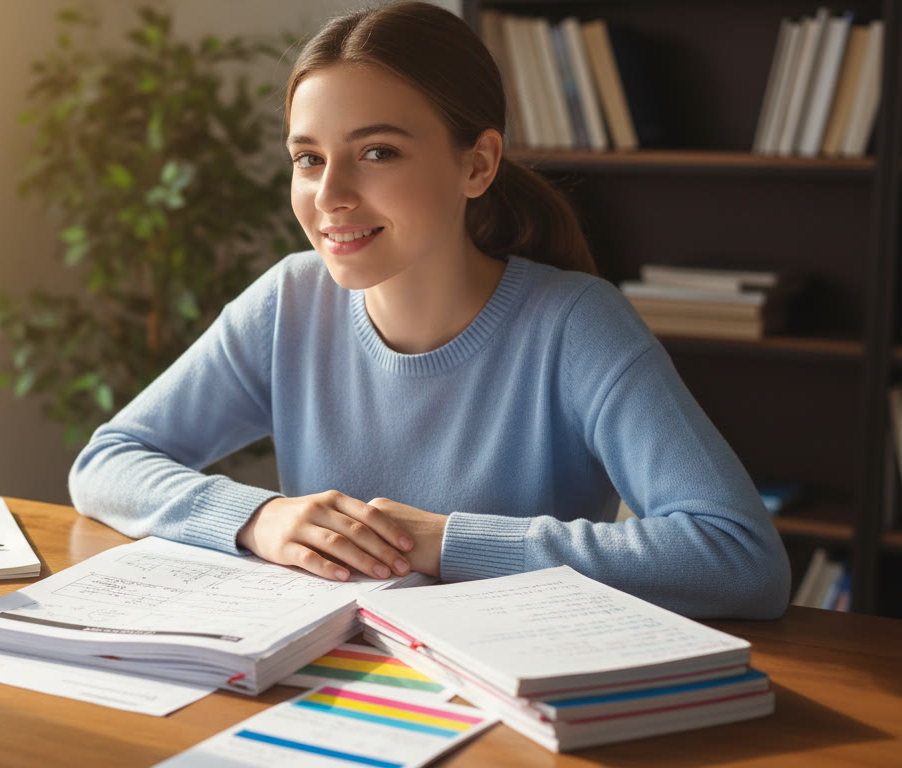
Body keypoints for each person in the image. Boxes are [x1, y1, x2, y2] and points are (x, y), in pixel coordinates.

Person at [68, 2, 790, 619]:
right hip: (327, 683)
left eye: (377, 153)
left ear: (477, 164)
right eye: (309, 158)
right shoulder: (290, 299)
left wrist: (445, 542)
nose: (330, 196)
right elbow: (107, 463)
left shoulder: (575, 324)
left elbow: (739, 557)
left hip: (512, 700)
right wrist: (257, 518)